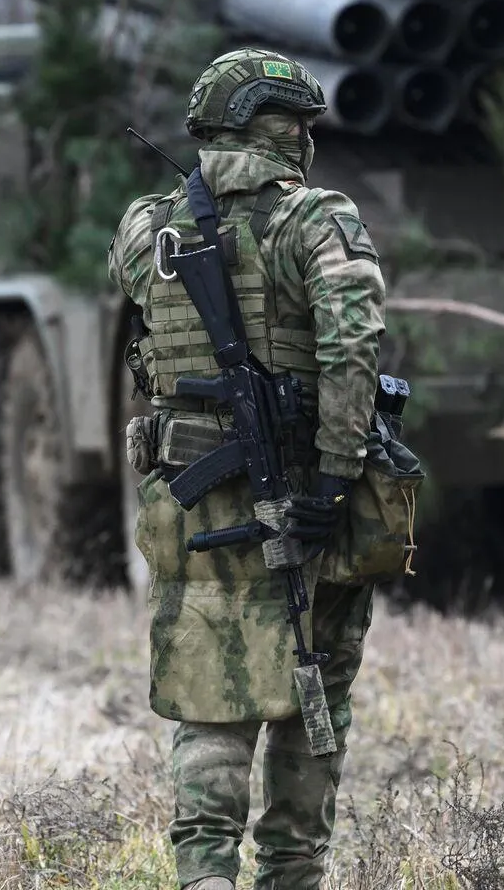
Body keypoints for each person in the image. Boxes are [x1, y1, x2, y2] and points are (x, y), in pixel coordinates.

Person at [109, 46, 389, 890]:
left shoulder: (144, 228)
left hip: (189, 501)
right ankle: (293, 871)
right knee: (313, 689)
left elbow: (143, 334)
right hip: (305, 495)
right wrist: (338, 478)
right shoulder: (317, 221)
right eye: (299, 125)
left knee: (208, 694)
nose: (307, 140)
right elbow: (354, 346)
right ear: (280, 129)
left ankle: (203, 874)